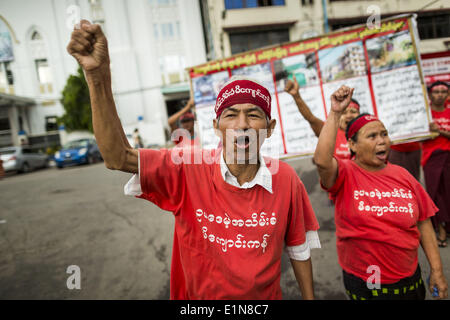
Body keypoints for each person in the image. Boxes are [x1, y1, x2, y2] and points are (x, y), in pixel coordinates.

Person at [67, 20, 321, 300]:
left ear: (270, 127)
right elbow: (117, 157)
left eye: (253, 114)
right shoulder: (187, 168)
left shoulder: (286, 178)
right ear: (216, 126)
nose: (242, 124)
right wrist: (97, 76)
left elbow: (298, 247)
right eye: (231, 115)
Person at [314, 85, 448, 300]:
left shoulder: (403, 175)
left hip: (409, 280)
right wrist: (336, 112)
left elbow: (423, 222)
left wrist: (438, 271)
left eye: (384, 134)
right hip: (365, 282)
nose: (382, 140)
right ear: (353, 145)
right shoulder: (345, 173)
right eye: (372, 136)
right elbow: (321, 160)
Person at [284, 75, 360, 159]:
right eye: (344, 113)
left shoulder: (368, 132)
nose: (349, 116)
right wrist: (296, 96)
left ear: (359, 114)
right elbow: (311, 118)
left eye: (353, 112)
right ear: (339, 115)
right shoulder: (330, 132)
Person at [421, 81, 450, 248]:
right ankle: (440, 229)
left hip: (448, 157)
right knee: (435, 194)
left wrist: (438, 131)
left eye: (443, 91)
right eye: (436, 91)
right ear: (430, 94)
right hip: (430, 158)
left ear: (447, 95)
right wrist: (427, 133)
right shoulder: (425, 114)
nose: (439, 94)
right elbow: (417, 136)